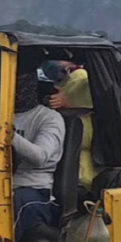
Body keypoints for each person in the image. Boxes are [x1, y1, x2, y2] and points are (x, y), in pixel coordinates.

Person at [12, 60, 65, 235]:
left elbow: (40, 156)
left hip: (35, 189)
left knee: (13, 205)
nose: (18, 86)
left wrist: (9, 135)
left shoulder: (49, 118)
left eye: (22, 80)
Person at [46, 59, 97, 194]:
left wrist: (66, 101)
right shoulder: (65, 83)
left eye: (60, 60)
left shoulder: (80, 78)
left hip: (79, 149)